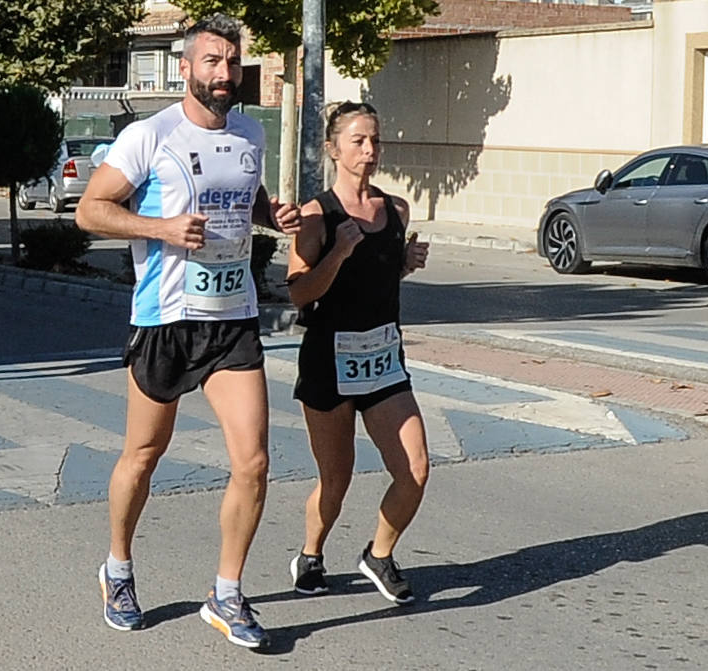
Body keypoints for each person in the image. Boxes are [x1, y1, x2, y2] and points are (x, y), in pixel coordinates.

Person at [76, 13, 300, 650]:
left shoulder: (252, 134)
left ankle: (226, 593)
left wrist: (270, 212)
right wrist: (161, 229)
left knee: (254, 461)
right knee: (143, 456)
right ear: (186, 67)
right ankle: (117, 567)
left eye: (231, 62)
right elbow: (92, 212)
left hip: (231, 319)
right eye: (211, 62)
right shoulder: (150, 137)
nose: (224, 74)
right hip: (166, 319)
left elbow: (244, 197)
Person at [286, 101, 431, 605]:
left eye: (374, 140)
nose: (369, 151)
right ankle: (310, 553)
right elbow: (299, 292)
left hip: (383, 359)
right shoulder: (316, 215)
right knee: (336, 480)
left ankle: (379, 555)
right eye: (357, 141)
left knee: (415, 469)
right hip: (329, 358)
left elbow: (381, 276)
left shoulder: (395, 210)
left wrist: (404, 262)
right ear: (333, 150)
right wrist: (339, 251)